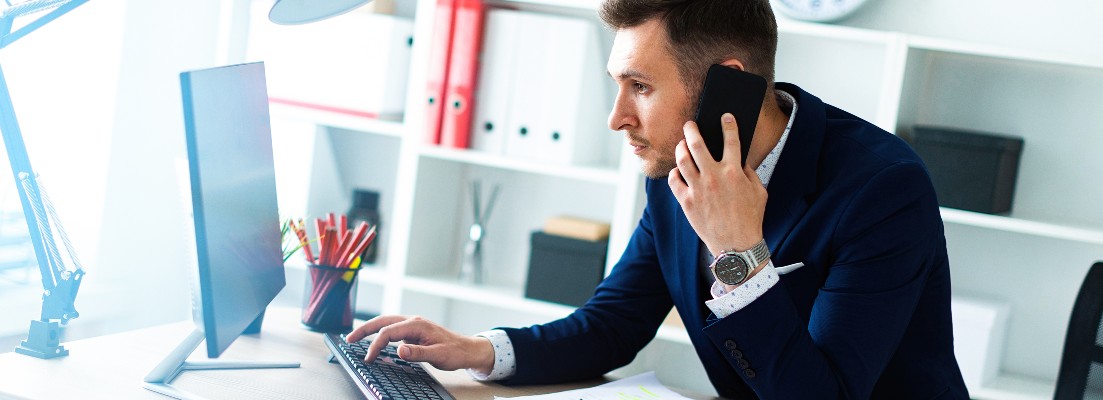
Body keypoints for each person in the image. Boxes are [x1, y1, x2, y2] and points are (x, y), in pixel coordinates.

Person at [347, 0, 969, 398]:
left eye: (639, 87)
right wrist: (478, 350)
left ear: (729, 85)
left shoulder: (883, 190)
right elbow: (613, 326)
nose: (615, 118)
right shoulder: (673, 173)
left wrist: (737, 251)